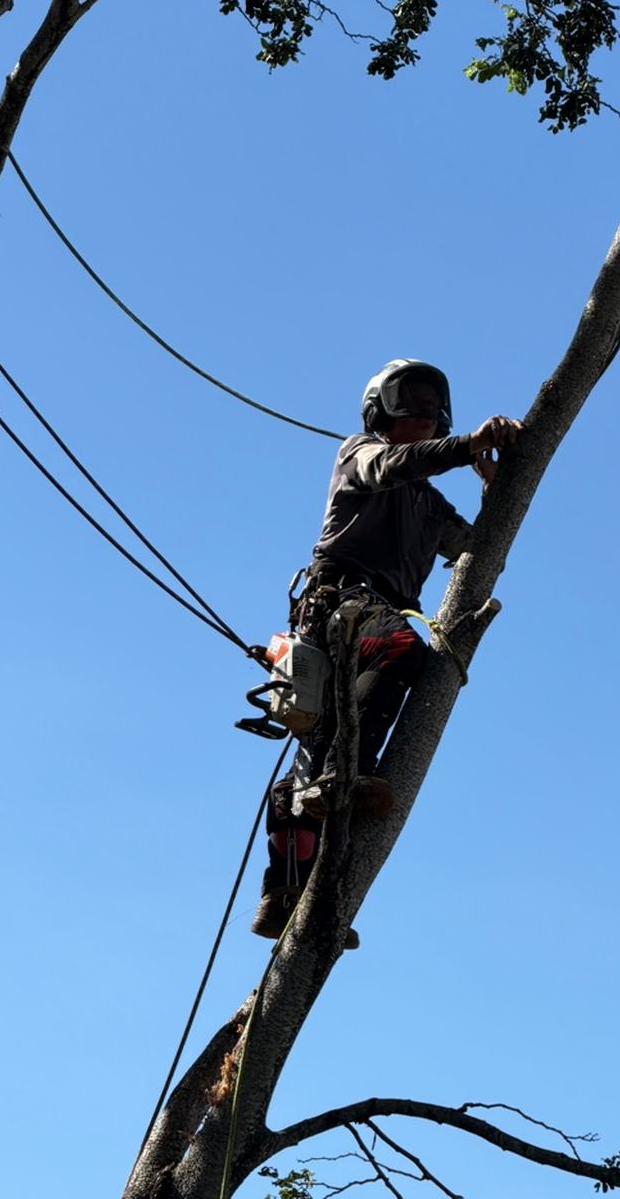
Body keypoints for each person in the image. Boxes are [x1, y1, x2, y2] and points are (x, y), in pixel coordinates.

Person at [252, 359, 522, 943]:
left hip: (368, 618)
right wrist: (467, 444)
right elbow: (391, 468)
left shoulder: (428, 504)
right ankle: (339, 776)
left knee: (322, 743)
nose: (425, 416)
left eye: (433, 407)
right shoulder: (362, 454)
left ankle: (289, 893)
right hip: (338, 604)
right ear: (381, 409)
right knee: (401, 649)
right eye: (413, 403)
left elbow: (478, 546)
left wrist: (497, 490)